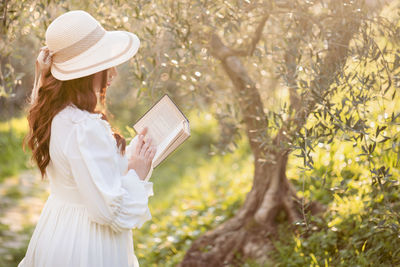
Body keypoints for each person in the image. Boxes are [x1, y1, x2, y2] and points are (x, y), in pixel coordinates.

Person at [18, 10, 156, 267]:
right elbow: (108, 212)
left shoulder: (51, 113)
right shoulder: (84, 128)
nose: (113, 73)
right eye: (105, 64)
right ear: (86, 72)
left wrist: (129, 156)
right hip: (88, 245)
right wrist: (137, 172)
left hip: (59, 229)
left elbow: (88, 173)